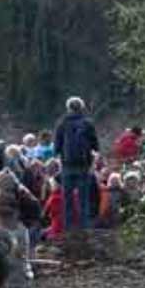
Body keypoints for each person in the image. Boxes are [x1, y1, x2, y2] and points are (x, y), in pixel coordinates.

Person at [53, 96, 99, 231]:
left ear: (68, 108)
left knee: (67, 199)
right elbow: (95, 146)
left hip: (67, 166)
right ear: (82, 107)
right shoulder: (87, 123)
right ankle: (84, 228)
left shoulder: (61, 123)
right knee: (83, 199)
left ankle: (68, 229)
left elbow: (56, 148)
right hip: (83, 165)